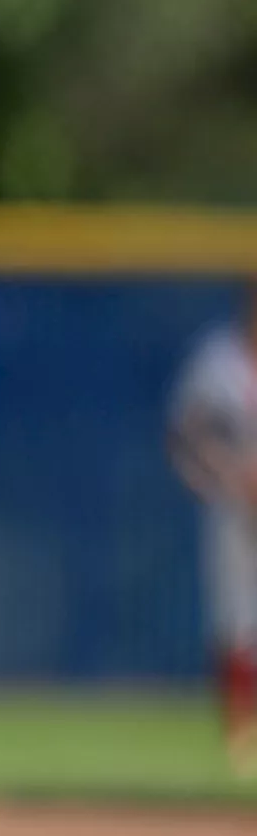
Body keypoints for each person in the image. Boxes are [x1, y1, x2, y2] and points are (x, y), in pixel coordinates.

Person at [168, 278, 257, 777]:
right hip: (232, 502)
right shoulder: (218, 360)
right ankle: (242, 741)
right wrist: (222, 475)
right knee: (237, 619)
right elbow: (185, 432)